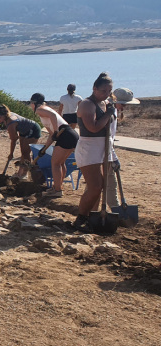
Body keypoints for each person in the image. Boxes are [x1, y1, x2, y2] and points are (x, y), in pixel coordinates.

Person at [71, 72, 116, 233]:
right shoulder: (86, 104)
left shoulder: (105, 103)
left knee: (100, 185)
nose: (107, 94)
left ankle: (92, 216)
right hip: (88, 148)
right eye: (104, 91)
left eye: (109, 91)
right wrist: (109, 114)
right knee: (95, 186)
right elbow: (94, 127)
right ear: (94, 88)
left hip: (102, 148)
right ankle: (81, 218)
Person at [30, 93, 79, 198]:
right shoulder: (45, 110)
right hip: (70, 134)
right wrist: (44, 148)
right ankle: (58, 187)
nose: (30, 105)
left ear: (34, 103)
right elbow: (52, 135)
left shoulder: (40, 109)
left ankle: (57, 190)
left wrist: (56, 130)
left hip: (65, 133)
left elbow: (53, 118)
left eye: (31, 103)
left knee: (55, 163)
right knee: (60, 163)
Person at [105, 87, 140, 210]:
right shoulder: (109, 113)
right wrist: (114, 158)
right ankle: (116, 211)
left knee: (98, 184)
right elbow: (107, 137)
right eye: (123, 104)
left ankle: (93, 212)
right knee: (110, 184)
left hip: (105, 152)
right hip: (104, 154)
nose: (125, 107)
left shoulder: (111, 110)